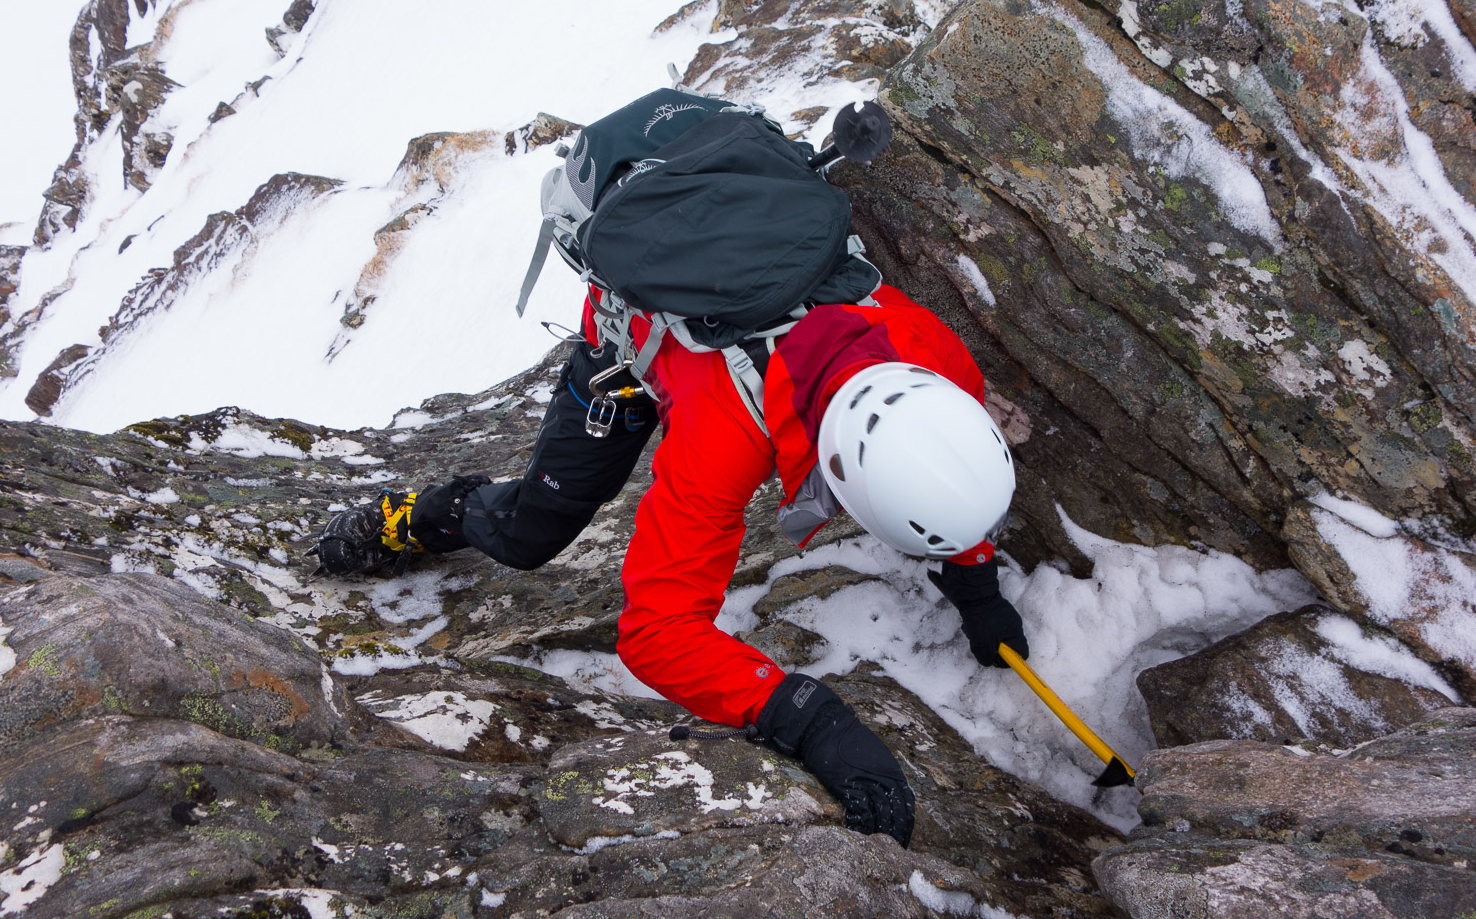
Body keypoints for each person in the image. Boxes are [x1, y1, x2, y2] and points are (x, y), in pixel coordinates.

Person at [316, 279, 1027, 849]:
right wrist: (808, 718)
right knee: (530, 533)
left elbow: (938, 468)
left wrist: (974, 580)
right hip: (634, 334)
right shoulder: (722, 439)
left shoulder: (931, 362)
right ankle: (415, 515)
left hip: (738, 307)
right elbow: (656, 632)